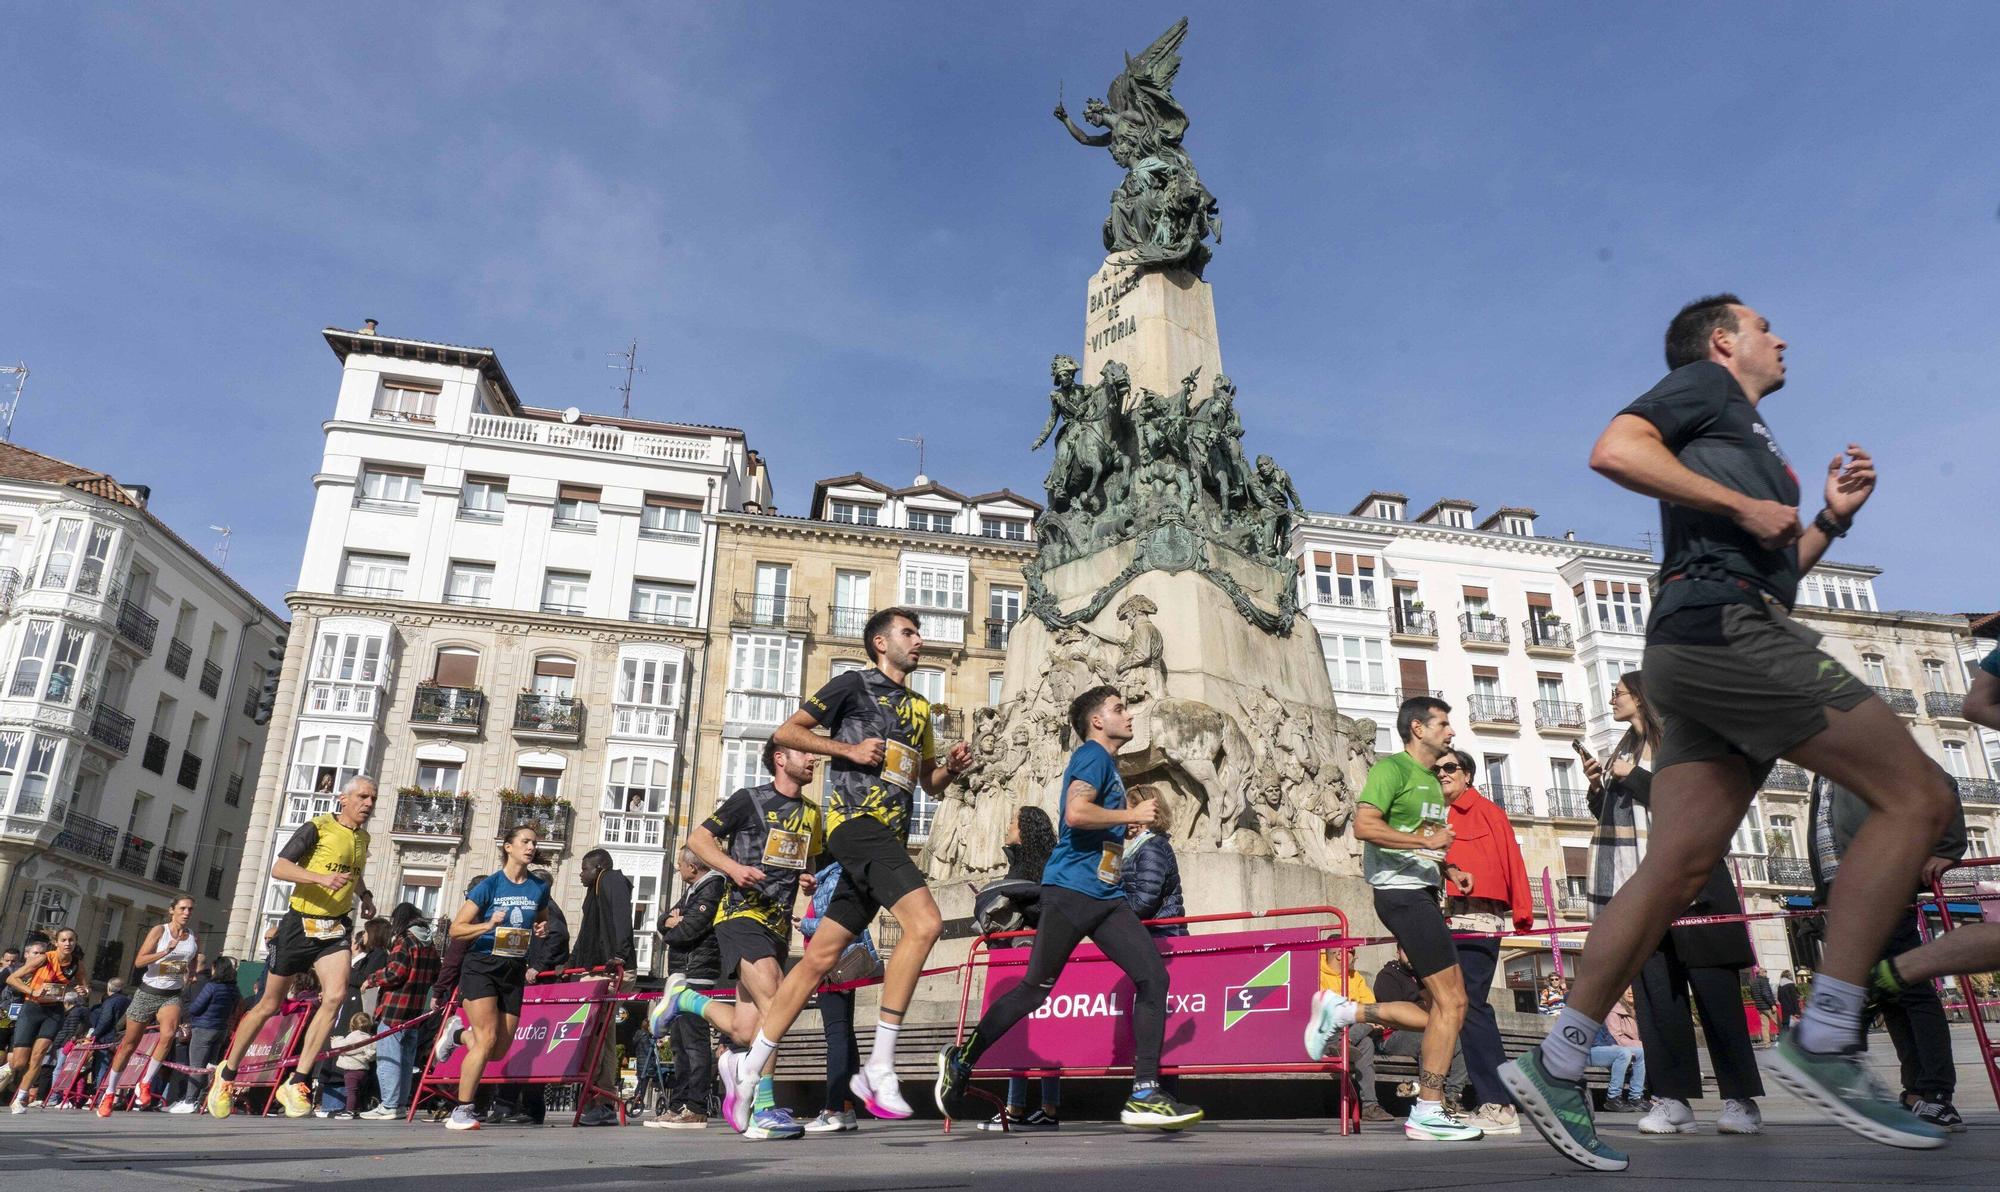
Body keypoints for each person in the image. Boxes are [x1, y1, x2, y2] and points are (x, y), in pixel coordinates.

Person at [1506, 294, 1952, 1171]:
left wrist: (1830, 519)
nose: (1781, 338)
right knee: (1920, 799)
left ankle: (1556, 1061)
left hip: (1696, 646)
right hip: (1727, 634)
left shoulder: (1745, 432)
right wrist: (1744, 508)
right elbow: (1615, 448)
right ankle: (1827, 1033)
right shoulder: (1705, 387)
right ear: (1722, 341)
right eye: (1763, 327)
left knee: (1676, 869)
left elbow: (1775, 573)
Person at [937, 686, 1204, 1131]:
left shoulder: (1109, 766)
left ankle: (1144, 1093)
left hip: (1105, 896)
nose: (1129, 715)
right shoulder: (1092, 756)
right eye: (1119, 708)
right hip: (1073, 891)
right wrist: (1131, 816)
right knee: (1034, 990)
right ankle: (962, 1059)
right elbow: (1076, 813)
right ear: (1097, 721)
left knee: (1153, 976)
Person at [742, 608, 974, 1120]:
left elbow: (928, 782)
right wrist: (847, 748)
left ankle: (751, 1064)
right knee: (926, 923)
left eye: (918, 633)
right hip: (854, 823)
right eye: (908, 633)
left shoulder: (919, 708)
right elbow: (787, 733)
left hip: (889, 836)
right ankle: (880, 1067)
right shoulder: (853, 684)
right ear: (880, 643)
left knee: (818, 959)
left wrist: (951, 770)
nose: (919, 640)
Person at [1584, 669, 1764, 1137]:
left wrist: (1634, 778)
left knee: (1717, 1000)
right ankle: (1672, 1099)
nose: (1612, 699)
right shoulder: (1623, 750)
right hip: (1640, 891)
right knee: (1657, 1002)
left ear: (1643, 697)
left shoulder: (1682, 744)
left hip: (1695, 891)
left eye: (1619, 693)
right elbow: (1616, 819)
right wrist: (1600, 787)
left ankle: (1740, 1100)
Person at [1304, 695, 1481, 1142]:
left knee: (1448, 1007)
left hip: (1422, 892)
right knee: (1453, 1003)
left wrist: (1448, 868)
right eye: (1443, 723)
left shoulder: (1429, 780)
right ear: (1418, 728)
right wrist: (1426, 844)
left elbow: (1425, 839)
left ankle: (1346, 1010)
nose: (1451, 731)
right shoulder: (1392, 769)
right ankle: (1428, 1109)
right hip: (1400, 894)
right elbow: (1364, 826)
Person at [651, 740, 824, 1141]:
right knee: (778, 1001)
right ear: (780, 759)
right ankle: (764, 1107)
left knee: (747, 1030)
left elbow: (808, 859)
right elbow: (697, 840)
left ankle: (684, 1000)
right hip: (740, 915)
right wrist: (733, 868)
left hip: (777, 925)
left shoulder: (813, 813)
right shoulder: (749, 799)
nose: (813, 757)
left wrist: (808, 878)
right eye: (804, 752)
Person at [210, 776, 379, 1120]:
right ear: (343, 799)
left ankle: (297, 1081)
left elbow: (352, 872)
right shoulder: (318, 827)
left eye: (373, 798)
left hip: (334, 928)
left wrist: (364, 895)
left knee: (335, 996)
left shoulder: (363, 837)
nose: (368, 803)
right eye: (363, 796)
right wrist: (320, 878)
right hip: (299, 925)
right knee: (268, 1005)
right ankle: (227, 1074)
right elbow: (280, 867)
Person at [1810, 773, 1969, 1132]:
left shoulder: (1862, 746)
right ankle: (1917, 1091)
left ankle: (1938, 1094)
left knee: (1910, 988)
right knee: (1891, 990)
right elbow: (1823, 829)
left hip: (1883, 879)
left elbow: (1941, 783)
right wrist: (1824, 892)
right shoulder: (1823, 768)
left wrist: (1947, 848)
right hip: (1846, 888)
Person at [430, 825, 553, 1131]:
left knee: (497, 1050)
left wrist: (542, 928)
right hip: (482, 965)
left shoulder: (538, 887)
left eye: (534, 843)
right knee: (485, 1039)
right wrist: (486, 926)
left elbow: (541, 918)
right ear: (508, 847)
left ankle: (458, 1035)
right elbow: (457, 929)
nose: (531, 847)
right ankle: (461, 1110)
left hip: (513, 968)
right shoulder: (489, 885)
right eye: (525, 841)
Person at [1437, 749, 1532, 1135]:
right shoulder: (1435, 813)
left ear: (1468, 775)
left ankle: (1499, 1103)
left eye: (1449, 767)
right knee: (1458, 1005)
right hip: (1446, 918)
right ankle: (1488, 1099)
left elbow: (1512, 858)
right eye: (1436, 768)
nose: (1441, 773)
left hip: (1477, 916)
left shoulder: (1488, 811)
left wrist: (1523, 912)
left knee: (1471, 1003)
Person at [975, 805, 1062, 1133]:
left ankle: (1019, 1108)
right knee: (1034, 1030)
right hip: (1029, 953)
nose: (1007, 826)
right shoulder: (1031, 863)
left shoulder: (1038, 866)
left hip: (1025, 954)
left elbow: (1045, 905)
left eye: (1012, 822)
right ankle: (1039, 1107)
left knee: (1028, 1030)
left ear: (1025, 829)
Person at [798, 859, 883, 1135]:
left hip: (832, 965)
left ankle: (833, 1109)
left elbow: (834, 925)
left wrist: (802, 924)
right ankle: (845, 1107)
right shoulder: (835, 877)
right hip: (841, 964)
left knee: (836, 1035)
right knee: (844, 1034)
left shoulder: (834, 879)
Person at [98, 897, 198, 1116]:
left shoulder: (192, 936)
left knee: (168, 1035)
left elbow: (190, 960)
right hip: (148, 992)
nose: (186, 912)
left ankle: (145, 1082)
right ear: (172, 910)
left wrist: (189, 974)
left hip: (171, 995)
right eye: (182, 908)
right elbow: (139, 961)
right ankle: (110, 1092)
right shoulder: (160, 931)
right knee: (129, 1045)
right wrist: (165, 951)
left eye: (190, 909)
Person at [1344, 951, 1470, 1123]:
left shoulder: (1424, 977)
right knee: (1427, 1041)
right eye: (1406, 950)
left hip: (1420, 1029)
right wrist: (1418, 1010)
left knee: (1457, 1039)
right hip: (1390, 1035)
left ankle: (1451, 1097)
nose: (1411, 954)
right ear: (1398, 952)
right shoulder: (1387, 976)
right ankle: (1429, 1100)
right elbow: (1392, 1015)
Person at [648, 848, 725, 1129]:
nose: (678, 868)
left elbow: (691, 928)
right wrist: (669, 922)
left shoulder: (712, 886)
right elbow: (662, 920)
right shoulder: (693, 889)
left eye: (680, 864)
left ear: (693, 866)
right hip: (681, 973)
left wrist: (674, 926)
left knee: (694, 1043)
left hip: (697, 972)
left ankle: (696, 1106)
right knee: (679, 1044)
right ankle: (678, 1103)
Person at [569, 848, 637, 1126]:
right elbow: (586, 935)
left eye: (584, 868)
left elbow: (621, 917)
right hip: (598, 968)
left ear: (598, 867)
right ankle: (601, 1099)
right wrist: (570, 964)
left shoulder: (611, 880)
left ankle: (601, 1099)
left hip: (609, 969)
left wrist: (619, 953)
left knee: (595, 1035)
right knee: (603, 1036)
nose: (580, 874)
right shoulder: (595, 890)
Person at [358, 904, 438, 1120]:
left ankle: (389, 1104)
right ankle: (400, 1103)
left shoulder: (405, 940)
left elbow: (395, 972)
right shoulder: (429, 943)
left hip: (395, 1008)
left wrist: (372, 979)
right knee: (405, 1060)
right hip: (415, 1009)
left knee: (388, 1058)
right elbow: (435, 973)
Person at [6, 932, 88, 1112]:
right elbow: (12, 978)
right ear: (56, 943)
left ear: (75, 942)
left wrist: (83, 990)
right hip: (32, 1009)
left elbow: (84, 986)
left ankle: (19, 1099)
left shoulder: (77, 964)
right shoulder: (44, 958)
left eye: (71, 940)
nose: (68, 943)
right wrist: (32, 991)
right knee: (19, 1063)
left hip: (54, 1011)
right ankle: (6, 1071)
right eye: (63, 940)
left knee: (39, 1054)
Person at [167, 957, 239, 1114]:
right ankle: (202, 1100)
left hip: (203, 1028)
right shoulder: (234, 989)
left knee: (197, 1066)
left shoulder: (211, 986)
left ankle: (189, 1101)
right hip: (221, 1029)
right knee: (211, 1067)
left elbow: (196, 1008)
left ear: (217, 969)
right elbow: (235, 1008)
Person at [1121, 791, 1187, 935]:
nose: (1122, 817)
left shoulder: (1151, 848)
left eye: (1127, 811)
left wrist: (1110, 906)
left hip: (1160, 935)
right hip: (1148, 933)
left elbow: (1143, 902)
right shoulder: (1139, 847)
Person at [1591, 991, 1646, 1111]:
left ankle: (1636, 1097)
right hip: (1587, 1051)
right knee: (1623, 1053)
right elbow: (1598, 1040)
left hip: (1606, 1047)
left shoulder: (1599, 1011)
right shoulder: (1585, 1010)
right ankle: (1613, 1098)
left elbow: (1608, 1037)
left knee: (1641, 1053)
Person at [328, 1010, 377, 1119]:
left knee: (351, 1091)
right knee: (357, 1091)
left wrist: (336, 1039)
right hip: (363, 1070)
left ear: (352, 1025)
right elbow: (372, 1054)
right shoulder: (370, 1038)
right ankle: (357, 1109)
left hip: (351, 1070)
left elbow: (341, 1047)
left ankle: (349, 1111)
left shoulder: (352, 1036)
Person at [86, 977, 131, 1093]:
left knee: (102, 1067)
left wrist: (94, 1034)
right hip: (122, 1039)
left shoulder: (110, 1002)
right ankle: (106, 1094)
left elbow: (105, 1020)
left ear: (108, 988)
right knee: (115, 1068)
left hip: (106, 1039)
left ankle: (99, 1094)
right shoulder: (128, 1001)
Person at [1747, 966, 1779, 1046]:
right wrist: (1772, 1004)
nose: (1766, 973)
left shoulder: (1753, 982)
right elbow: (1766, 994)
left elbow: (1752, 995)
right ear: (1761, 973)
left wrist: (1758, 1002)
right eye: (1765, 971)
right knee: (1778, 1023)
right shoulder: (1764, 981)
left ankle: (1766, 1043)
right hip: (1768, 1006)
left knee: (1764, 1026)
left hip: (1760, 1007)